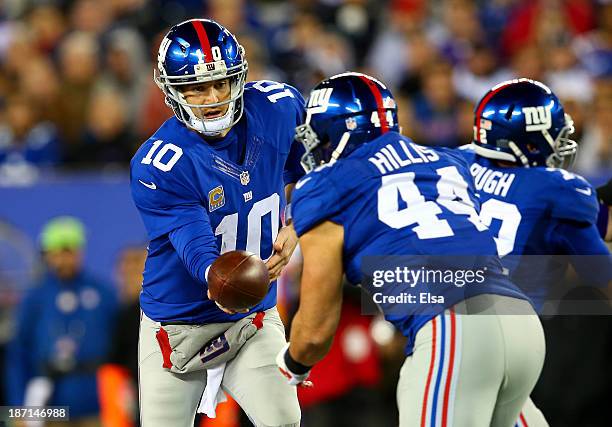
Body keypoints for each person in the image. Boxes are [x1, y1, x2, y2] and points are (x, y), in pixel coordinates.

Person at [276, 72, 545, 426]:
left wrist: (290, 364)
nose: (316, 149)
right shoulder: (449, 160)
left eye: (320, 137)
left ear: (339, 133)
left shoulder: (325, 186)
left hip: (453, 330)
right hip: (521, 322)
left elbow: (315, 330)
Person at [130, 19, 304, 427]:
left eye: (221, 83)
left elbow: (313, 166)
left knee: (283, 420)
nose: (213, 97)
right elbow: (195, 244)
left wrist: (297, 222)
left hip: (253, 317)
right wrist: (218, 276)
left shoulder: (278, 108)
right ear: (172, 92)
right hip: (178, 326)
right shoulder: (160, 162)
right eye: (196, 87)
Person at [459, 78, 612, 426]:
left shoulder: (460, 162)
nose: (561, 142)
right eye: (554, 133)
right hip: (502, 340)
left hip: (449, 324)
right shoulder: (558, 190)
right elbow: (603, 276)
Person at [4, 216, 117, 427]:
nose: (64, 258)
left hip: (96, 404)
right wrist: (19, 406)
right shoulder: (35, 297)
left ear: (80, 251)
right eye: (57, 252)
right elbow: (18, 355)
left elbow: (121, 349)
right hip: (51, 406)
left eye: (70, 250)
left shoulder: (103, 294)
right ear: (48, 255)